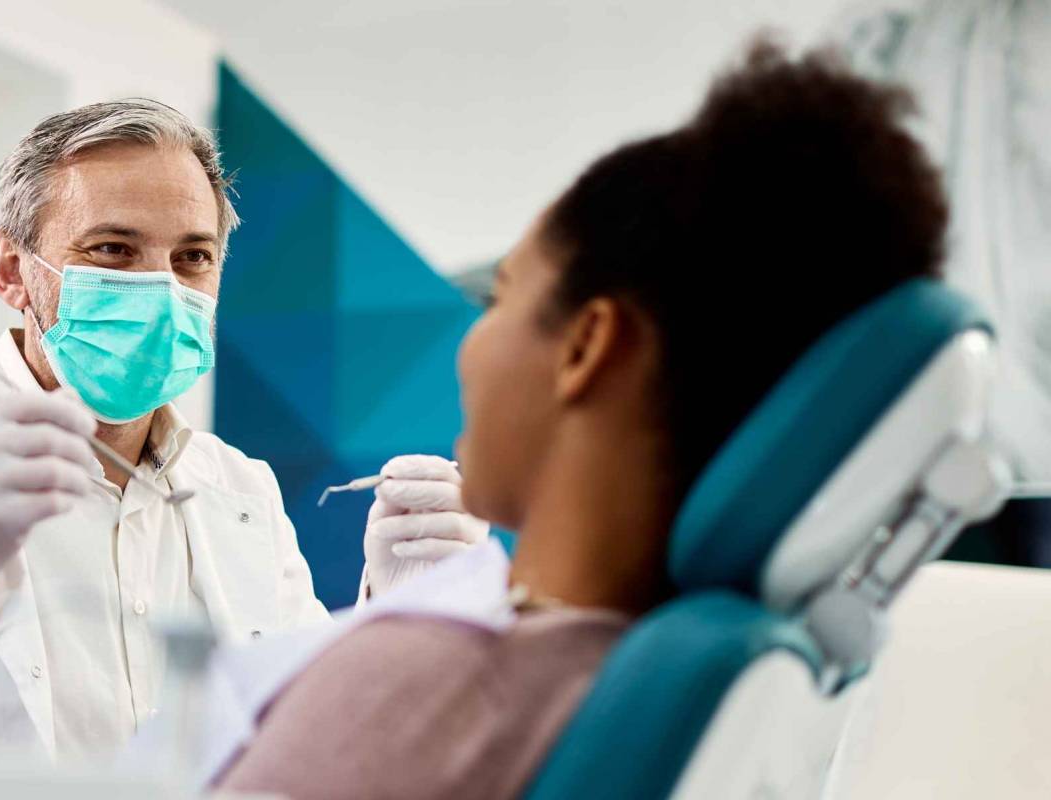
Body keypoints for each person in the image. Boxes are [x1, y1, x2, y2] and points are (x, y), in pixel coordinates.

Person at [212, 40, 950, 800]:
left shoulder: (418, 685)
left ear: (588, 346)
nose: (469, 345)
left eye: (499, 298)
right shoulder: (703, 684)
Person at [0, 99, 490, 758]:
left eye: (192, 257)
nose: (160, 289)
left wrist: (394, 617)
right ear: (10, 269)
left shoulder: (241, 492)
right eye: (111, 250)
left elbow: (295, 747)